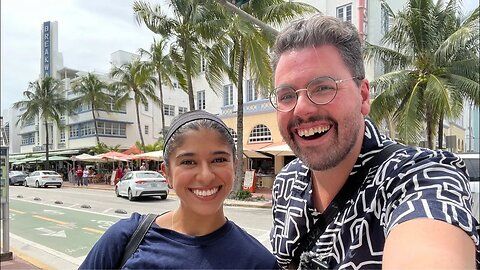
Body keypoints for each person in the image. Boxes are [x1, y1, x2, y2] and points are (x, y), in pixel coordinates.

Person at [268, 14, 479, 269]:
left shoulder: (421, 176)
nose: (301, 109)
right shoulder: (286, 183)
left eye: (322, 88)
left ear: (363, 96)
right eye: (287, 95)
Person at [80, 110, 279, 269]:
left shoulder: (258, 262)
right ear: (167, 173)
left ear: (235, 167)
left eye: (218, 160)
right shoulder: (127, 238)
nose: (205, 176)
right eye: (188, 162)